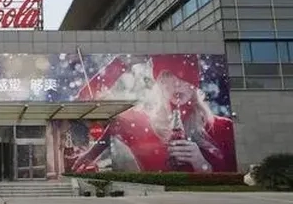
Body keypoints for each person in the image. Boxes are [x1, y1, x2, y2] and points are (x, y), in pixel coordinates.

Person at [71, 54, 237, 173]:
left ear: (195, 82)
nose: (177, 83)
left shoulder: (223, 127)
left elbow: (233, 183)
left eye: (185, 76)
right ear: (159, 81)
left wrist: (201, 164)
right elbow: (83, 101)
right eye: (168, 75)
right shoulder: (139, 124)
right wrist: (121, 63)